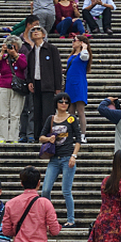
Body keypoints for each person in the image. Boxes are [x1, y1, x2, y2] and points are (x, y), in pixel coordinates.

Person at [38, 94, 81, 228]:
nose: (64, 104)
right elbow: (41, 137)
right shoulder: (51, 119)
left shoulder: (72, 118)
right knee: (45, 190)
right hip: (54, 159)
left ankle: (71, 220)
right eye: (61, 102)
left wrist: (74, 156)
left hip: (67, 157)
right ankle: (48, 218)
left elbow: (78, 139)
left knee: (66, 190)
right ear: (56, 103)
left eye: (66, 102)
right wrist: (48, 139)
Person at [23, 25, 64, 143]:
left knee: (48, 111)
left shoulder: (51, 49)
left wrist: (58, 87)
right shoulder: (31, 53)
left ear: (44, 34)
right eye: (33, 31)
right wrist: (29, 81)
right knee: (36, 111)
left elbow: (57, 68)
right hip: (36, 84)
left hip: (49, 84)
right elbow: (29, 69)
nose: (36, 32)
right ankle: (38, 135)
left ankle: (49, 134)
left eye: (38, 30)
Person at [0, 38, 25, 145]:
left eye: (14, 46)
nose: (12, 48)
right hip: (4, 86)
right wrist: (2, 52)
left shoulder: (21, 57)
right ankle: (2, 137)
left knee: (15, 114)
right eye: (10, 46)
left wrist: (15, 54)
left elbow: (24, 65)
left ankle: (13, 137)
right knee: (3, 113)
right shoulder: (3, 58)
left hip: (17, 88)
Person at [64, 35, 91, 134]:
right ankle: (71, 132)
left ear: (81, 42)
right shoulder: (73, 55)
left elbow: (85, 57)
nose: (73, 42)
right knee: (70, 111)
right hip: (70, 84)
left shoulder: (83, 54)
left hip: (79, 84)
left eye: (75, 40)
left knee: (80, 110)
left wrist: (84, 47)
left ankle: (83, 134)